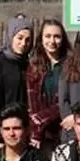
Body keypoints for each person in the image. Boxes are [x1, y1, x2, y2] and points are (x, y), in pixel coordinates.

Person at [0, 16, 34, 140]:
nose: (23, 44)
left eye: (28, 40)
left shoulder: (29, 64)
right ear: (11, 37)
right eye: (20, 38)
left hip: (24, 130)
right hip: (5, 130)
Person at [27, 19, 69, 152]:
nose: (52, 41)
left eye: (57, 36)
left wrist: (41, 119)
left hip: (63, 130)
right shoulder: (33, 65)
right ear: (41, 38)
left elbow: (65, 101)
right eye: (48, 36)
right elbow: (31, 101)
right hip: (39, 134)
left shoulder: (70, 64)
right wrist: (35, 127)